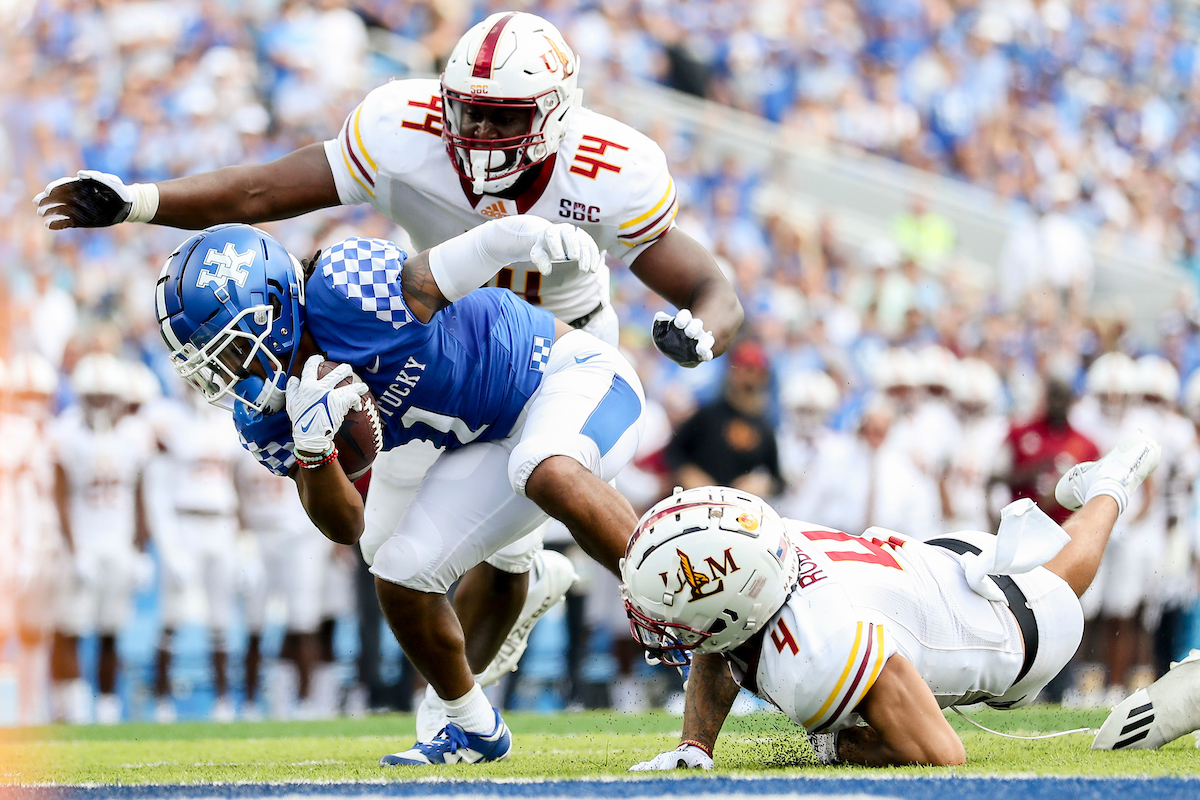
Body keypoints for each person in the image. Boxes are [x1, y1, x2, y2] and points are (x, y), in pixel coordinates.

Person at [35, 11, 743, 731]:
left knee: (536, 482)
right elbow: (260, 193)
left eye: (502, 121)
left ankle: (703, 621)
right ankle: (466, 708)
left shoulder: (610, 172)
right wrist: (138, 202)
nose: (477, 137)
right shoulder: (404, 136)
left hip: (549, 354)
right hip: (429, 347)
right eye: (466, 113)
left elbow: (710, 288)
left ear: (556, 115)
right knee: (390, 555)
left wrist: (701, 331)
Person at [155, 219, 643, 764]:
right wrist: (316, 453)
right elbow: (345, 526)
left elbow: (461, 258)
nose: (229, 372)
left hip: (555, 377)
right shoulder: (260, 418)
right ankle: (474, 728)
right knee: (394, 564)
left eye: (231, 349)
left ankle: (681, 587)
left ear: (273, 310)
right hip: (473, 440)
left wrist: (528, 236)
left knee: (539, 467)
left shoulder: (346, 287)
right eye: (211, 360)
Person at [621, 431, 1188, 769]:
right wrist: (696, 746)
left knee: (1063, 582)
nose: (665, 621)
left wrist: (838, 748)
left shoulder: (819, 649)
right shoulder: (764, 543)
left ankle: (1111, 486)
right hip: (927, 567)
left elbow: (943, 752)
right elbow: (730, 630)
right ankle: (1105, 489)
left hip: (1014, 630)